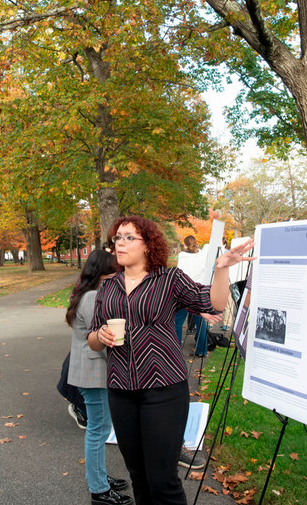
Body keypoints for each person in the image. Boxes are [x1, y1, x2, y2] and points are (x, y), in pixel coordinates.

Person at [89, 216, 254, 505]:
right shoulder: (108, 286)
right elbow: (91, 339)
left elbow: (212, 303)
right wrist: (100, 335)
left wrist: (221, 270)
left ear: (148, 245)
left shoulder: (170, 280)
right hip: (121, 390)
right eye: (118, 238)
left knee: (162, 479)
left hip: (163, 390)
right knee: (138, 475)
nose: (121, 243)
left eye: (130, 237)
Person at [67, 250, 133, 505]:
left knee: (99, 428)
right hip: (94, 373)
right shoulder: (94, 297)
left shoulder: (86, 294)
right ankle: (99, 489)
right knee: (99, 429)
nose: (119, 276)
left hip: (91, 371)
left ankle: (100, 477)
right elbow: (106, 337)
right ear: (102, 274)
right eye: (114, 272)